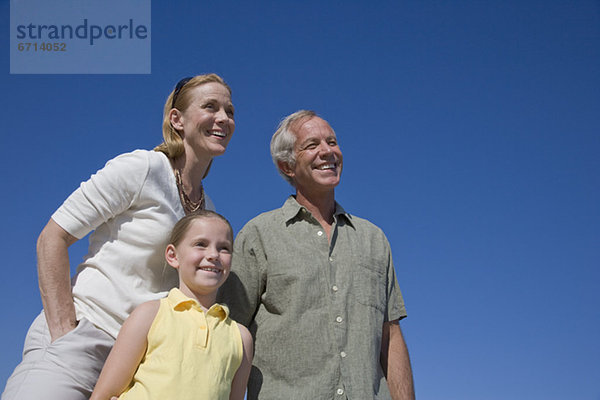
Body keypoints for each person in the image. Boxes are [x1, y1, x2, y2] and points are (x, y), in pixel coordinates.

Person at [2, 73, 236, 400]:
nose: (223, 118)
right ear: (177, 120)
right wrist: (64, 333)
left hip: (140, 364)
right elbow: (51, 237)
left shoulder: (207, 210)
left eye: (230, 111)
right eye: (211, 107)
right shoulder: (143, 169)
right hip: (84, 337)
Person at [218, 110, 415, 399]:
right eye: (312, 145)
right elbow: (229, 333)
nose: (328, 151)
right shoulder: (258, 235)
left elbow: (391, 336)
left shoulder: (374, 239)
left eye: (332, 142)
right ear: (287, 165)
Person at [90, 211, 253, 400]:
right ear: (173, 256)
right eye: (201, 244)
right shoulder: (149, 315)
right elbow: (104, 394)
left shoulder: (241, 338)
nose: (213, 255)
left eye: (224, 248)